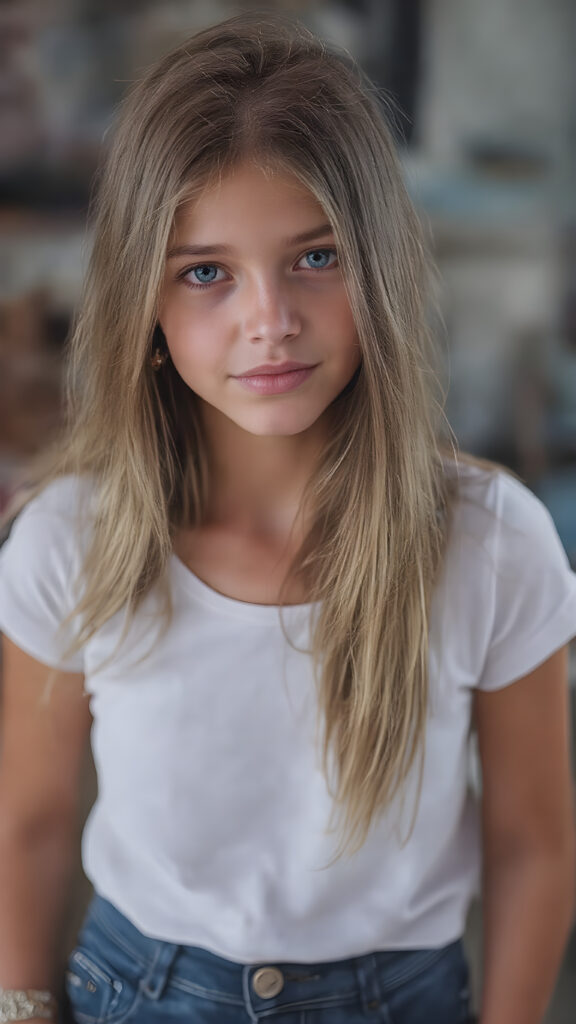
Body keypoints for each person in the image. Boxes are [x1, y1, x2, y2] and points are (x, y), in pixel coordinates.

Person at [0, 14, 575, 1024]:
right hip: (138, 992)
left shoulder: (494, 545)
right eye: (206, 272)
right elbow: (31, 822)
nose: (269, 319)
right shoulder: (66, 541)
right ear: (145, 304)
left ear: (382, 267)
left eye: (315, 257)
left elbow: (532, 842)